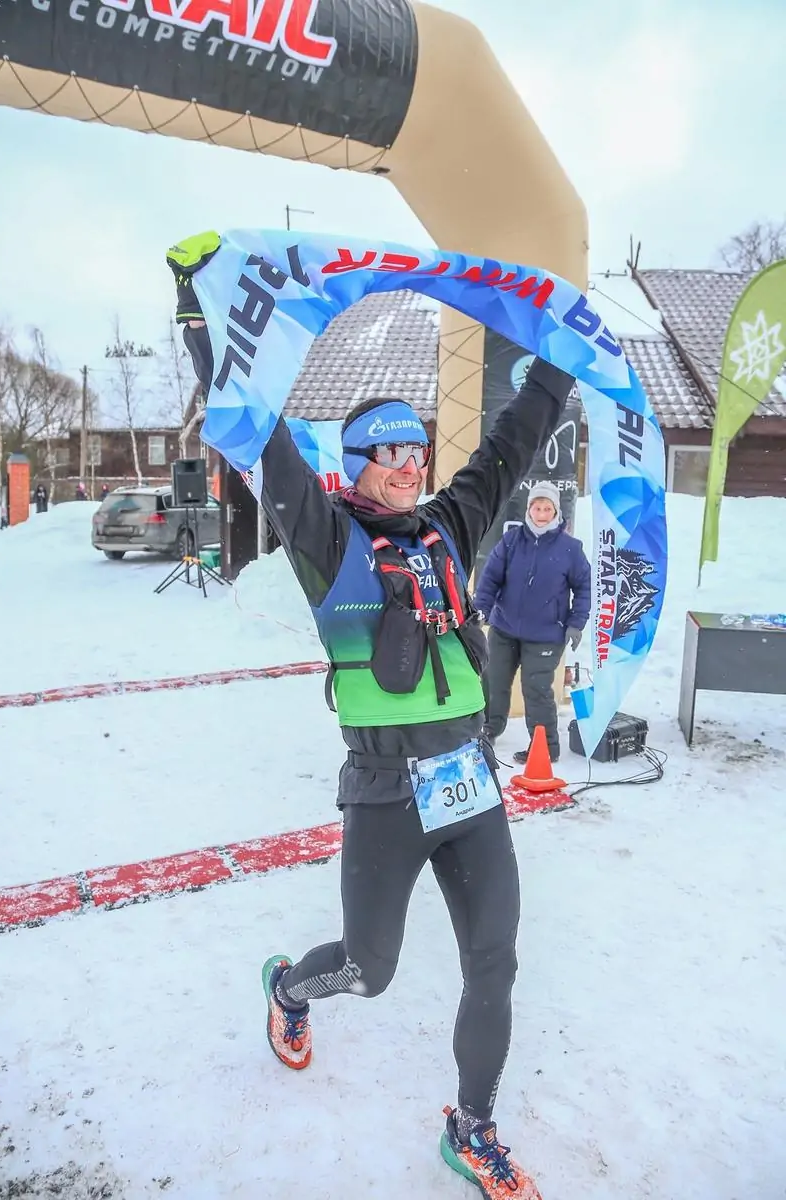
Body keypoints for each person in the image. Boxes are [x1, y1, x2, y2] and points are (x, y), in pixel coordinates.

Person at [169, 240, 574, 1195]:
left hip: (469, 783)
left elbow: (512, 443)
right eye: (389, 451)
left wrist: (563, 358)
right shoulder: (326, 539)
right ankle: (289, 989)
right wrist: (199, 317)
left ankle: (472, 1127)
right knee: (368, 967)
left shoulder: (450, 526)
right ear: (356, 465)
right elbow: (258, 432)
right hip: (388, 793)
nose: (409, 462)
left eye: (415, 448)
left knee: (494, 963)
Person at [474, 481, 590, 764]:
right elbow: (490, 579)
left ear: (556, 512)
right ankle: (488, 729)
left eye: (547, 509)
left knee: (536, 689)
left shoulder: (571, 549)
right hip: (504, 628)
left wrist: (576, 623)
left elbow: (584, 587)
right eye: (536, 508)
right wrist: (480, 611)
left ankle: (546, 747)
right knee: (493, 680)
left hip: (546, 634)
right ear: (528, 509)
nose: (541, 514)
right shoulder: (511, 541)